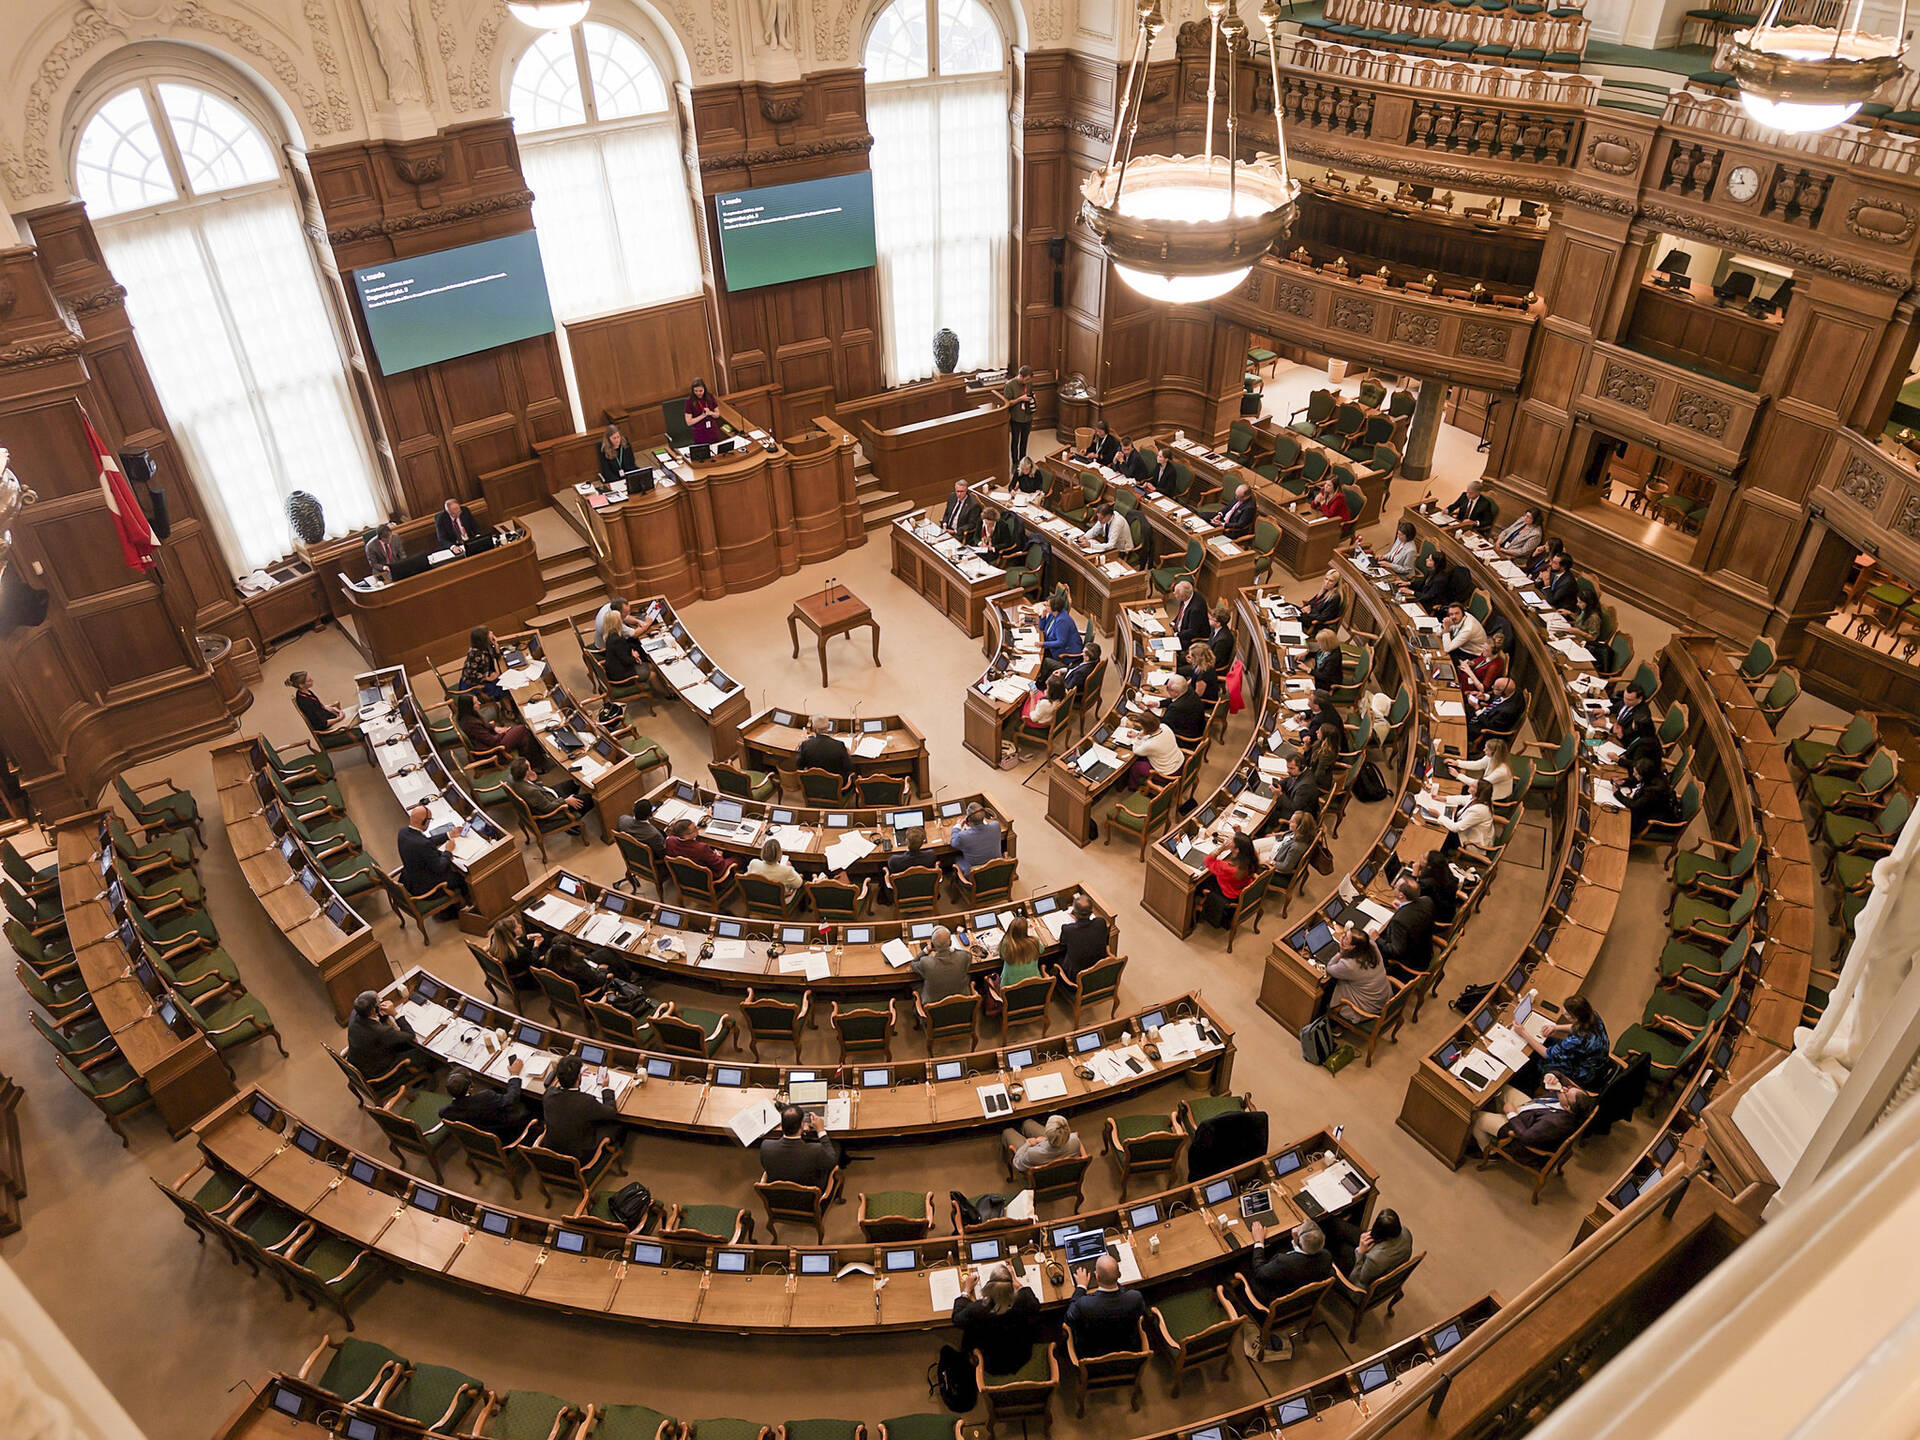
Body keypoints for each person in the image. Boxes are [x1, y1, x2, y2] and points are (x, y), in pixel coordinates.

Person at [953, 1263, 1043, 1378]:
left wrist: (966, 1291)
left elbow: (957, 1319)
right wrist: (1015, 1282)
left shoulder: (979, 1308)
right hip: (1021, 1355)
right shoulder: (1023, 1300)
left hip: (990, 1363)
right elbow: (1034, 1304)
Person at [1470, 1074, 1593, 1154]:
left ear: (1566, 1107)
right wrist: (1551, 1075)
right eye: (1569, 1088)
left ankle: (1488, 1151)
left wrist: (1511, 1114)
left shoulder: (1554, 1123)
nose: (1564, 1088)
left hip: (1519, 1125)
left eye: (1566, 1093)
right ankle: (1495, 1118)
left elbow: (1526, 1137)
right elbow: (1560, 1076)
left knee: (1477, 1117)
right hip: (1530, 1109)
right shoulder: (1571, 1098)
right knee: (1500, 1088)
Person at [540, 1054, 624, 1164]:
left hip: (553, 1147)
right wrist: (606, 1088)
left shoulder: (548, 1094)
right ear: (579, 1077)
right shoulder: (586, 1102)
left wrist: (575, 1078)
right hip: (580, 1155)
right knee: (619, 1127)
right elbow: (612, 1112)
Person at [1063, 1255, 1148, 1358]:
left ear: (1097, 1277)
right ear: (1120, 1275)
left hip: (1092, 1355)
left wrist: (1081, 1287)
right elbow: (1140, 1312)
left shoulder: (1085, 1304)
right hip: (1129, 1352)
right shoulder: (1135, 1297)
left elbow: (1069, 1318)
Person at [1526, 996, 1613, 1092]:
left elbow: (1547, 1054)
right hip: (1597, 1062)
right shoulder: (1593, 1015)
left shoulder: (1576, 1040)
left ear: (1575, 1018)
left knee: (1537, 1061)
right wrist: (1556, 1027)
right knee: (1549, 1041)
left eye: (1566, 1014)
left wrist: (1524, 1033)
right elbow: (1578, 1027)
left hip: (1585, 1074)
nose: (1564, 1015)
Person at [345, 990, 435, 1077]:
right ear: (373, 1010)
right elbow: (410, 1035)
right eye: (379, 1001)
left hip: (361, 1062)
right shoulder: (381, 1031)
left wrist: (381, 1013)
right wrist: (395, 1014)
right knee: (423, 1053)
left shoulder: (355, 1013)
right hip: (377, 1072)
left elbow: (372, 1020)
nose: (381, 1001)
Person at [1244, 1218, 1333, 1304]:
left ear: (1299, 1241)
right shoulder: (1326, 1255)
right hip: (1301, 1294)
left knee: (1242, 1263)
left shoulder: (1284, 1262)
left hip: (1274, 1297)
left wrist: (1259, 1241)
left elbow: (1259, 1272)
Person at [440, 1065, 536, 1143]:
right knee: (529, 1104)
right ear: (470, 1087)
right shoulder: (485, 1098)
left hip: (480, 1139)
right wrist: (514, 1075)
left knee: (496, 1090)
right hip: (506, 1134)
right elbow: (511, 1099)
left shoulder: (445, 1112)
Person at [1323, 924, 1393, 1024]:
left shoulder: (1349, 965)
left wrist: (1341, 952)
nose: (1342, 937)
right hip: (1382, 996)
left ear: (1352, 947)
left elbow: (1329, 968)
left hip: (1366, 1006)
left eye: (1346, 938)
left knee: (1330, 985)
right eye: (1344, 934)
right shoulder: (1371, 945)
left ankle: (1331, 1022)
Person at [760, 1106, 840, 1190]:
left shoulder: (766, 1146)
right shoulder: (816, 1150)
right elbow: (831, 1161)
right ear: (802, 1125)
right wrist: (821, 1131)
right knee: (836, 1146)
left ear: (782, 1125)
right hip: (809, 1197)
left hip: (776, 1196)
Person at [397, 804, 466, 901]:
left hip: (410, 879)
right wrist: (448, 851)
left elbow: (426, 841)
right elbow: (439, 867)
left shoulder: (403, 832)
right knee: (460, 877)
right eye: (430, 819)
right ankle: (464, 905)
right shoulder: (423, 844)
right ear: (424, 822)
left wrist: (449, 835)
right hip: (425, 887)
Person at [1376, 873, 1436, 978]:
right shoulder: (1427, 900)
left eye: (1396, 887)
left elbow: (1395, 951)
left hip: (1413, 962)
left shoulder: (1399, 921)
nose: (1394, 887)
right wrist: (1401, 909)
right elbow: (1414, 915)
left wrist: (1376, 938)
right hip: (1425, 950)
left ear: (1401, 895)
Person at [457, 694, 541, 766]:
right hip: (493, 749)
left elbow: (484, 726)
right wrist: (505, 732)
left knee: (525, 737)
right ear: (468, 706)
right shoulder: (471, 724)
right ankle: (534, 761)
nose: (479, 703)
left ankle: (531, 762)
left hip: (492, 739)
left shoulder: (467, 715)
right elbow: (492, 741)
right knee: (522, 729)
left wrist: (494, 727)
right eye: (475, 703)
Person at [506, 757, 587, 832]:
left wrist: (534, 781)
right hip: (554, 809)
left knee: (574, 782)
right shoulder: (531, 792)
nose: (531, 768)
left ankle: (573, 809)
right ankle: (572, 823)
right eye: (529, 767)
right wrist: (566, 801)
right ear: (526, 772)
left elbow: (535, 790)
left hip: (548, 794)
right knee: (588, 799)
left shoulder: (512, 777)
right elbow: (548, 807)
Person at [1336, 1209, 1412, 1286]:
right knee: (1338, 1225)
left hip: (1362, 1270)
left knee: (1339, 1246)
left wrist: (1360, 1252)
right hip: (1384, 1257)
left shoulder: (1375, 1259)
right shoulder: (1405, 1232)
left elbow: (1356, 1279)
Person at [1199, 831, 1259, 927]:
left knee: (1200, 882)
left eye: (1232, 840)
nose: (1228, 841)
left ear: (1237, 850)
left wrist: (1221, 849)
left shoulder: (1229, 868)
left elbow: (1208, 861)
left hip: (1228, 893)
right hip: (1241, 885)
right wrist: (1239, 833)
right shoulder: (1252, 856)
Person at [1619, 754, 1680, 840]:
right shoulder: (1653, 774)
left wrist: (1617, 794)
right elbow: (1637, 779)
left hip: (1652, 819)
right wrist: (1624, 781)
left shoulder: (1654, 790)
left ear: (1644, 775)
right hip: (1650, 808)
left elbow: (1635, 805)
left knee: (1620, 818)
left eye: (1636, 774)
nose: (1633, 774)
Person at [1427, 778, 1498, 852]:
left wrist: (1439, 816)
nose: (1470, 785)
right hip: (1466, 830)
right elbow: (1462, 799)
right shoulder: (1480, 798)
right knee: (1443, 825)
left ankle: (1441, 853)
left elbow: (1455, 828)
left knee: (1440, 833)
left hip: (1471, 842)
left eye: (1473, 786)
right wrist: (1442, 798)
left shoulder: (1479, 810)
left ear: (1478, 792)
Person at [286, 672, 358, 740]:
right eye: (309, 680)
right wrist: (340, 718)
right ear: (301, 685)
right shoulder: (305, 702)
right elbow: (322, 724)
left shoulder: (306, 691)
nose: (312, 680)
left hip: (332, 717)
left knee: (358, 708)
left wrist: (337, 711)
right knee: (360, 715)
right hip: (329, 728)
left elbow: (322, 706)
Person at [911, 925, 970, 1003]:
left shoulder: (926, 962)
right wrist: (952, 949)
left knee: (914, 984)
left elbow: (913, 964)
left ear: (933, 945)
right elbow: (968, 955)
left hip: (933, 1008)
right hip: (962, 1001)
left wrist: (926, 951)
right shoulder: (963, 956)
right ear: (951, 943)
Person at [1056, 894, 1110, 979]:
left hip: (1076, 978)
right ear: (1091, 911)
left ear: (1074, 913)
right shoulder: (1101, 923)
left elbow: (1062, 944)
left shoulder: (1068, 930)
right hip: (1100, 971)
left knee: (1052, 960)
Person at [1004, 1113, 1079, 1174]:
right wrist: (1045, 1141)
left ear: (1046, 1132)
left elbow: (1017, 1163)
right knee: (1028, 1123)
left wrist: (1028, 1144)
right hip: (1058, 1159)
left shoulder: (1032, 1153)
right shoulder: (1075, 1140)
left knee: (1007, 1132)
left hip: (1040, 1166)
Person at [488, 913, 545, 991]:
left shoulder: (494, 938)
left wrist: (527, 937)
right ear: (511, 933)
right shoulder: (520, 952)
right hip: (524, 981)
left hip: (511, 970)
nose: (520, 926)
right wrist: (536, 945)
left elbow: (513, 941)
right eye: (517, 926)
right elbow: (534, 959)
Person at [1129, 711, 1185, 788]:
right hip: (1180, 762)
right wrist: (1139, 734)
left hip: (1168, 773)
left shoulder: (1151, 745)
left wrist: (1138, 737)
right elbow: (1153, 737)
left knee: (1136, 766)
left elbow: (1136, 751)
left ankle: (1132, 787)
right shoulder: (1165, 727)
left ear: (1146, 729)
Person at [950, 802, 1005, 880]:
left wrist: (957, 826)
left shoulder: (963, 836)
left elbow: (953, 843)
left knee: (956, 858)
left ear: (968, 819)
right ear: (984, 815)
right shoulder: (996, 826)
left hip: (976, 876)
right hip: (996, 869)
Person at [1451, 736, 1514, 803]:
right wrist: (1458, 763)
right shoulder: (1492, 757)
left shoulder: (1502, 771)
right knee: (1461, 791)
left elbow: (1480, 784)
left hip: (1496, 796)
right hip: (1486, 787)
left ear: (1494, 753)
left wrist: (1458, 775)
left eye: (1486, 749)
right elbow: (1477, 764)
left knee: (1459, 795)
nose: (1484, 750)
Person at [1255, 810, 1317, 878]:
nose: (1289, 821)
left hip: (1275, 857)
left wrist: (1271, 862)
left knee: (1250, 855)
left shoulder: (1297, 847)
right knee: (1252, 845)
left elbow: (1286, 867)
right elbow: (1288, 834)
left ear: (1300, 827)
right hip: (1279, 843)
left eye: (1292, 822)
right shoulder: (1300, 833)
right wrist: (1275, 834)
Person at [665, 818, 734, 878]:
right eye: (694, 829)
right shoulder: (701, 848)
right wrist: (719, 856)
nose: (698, 828)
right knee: (739, 858)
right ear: (686, 836)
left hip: (685, 874)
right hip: (707, 877)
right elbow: (719, 865)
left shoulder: (669, 840)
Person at [1467, 677, 1524, 750]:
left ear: (1503, 692)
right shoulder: (1513, 691)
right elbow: (1497, 697)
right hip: (1488, 714)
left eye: (1495, 688)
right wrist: (1484, 697)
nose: (1492, 687)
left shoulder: (1506, 711)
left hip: (1487, 730)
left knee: (1460, 726)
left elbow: (1489, 725)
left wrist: (1477, 707)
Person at [1038, 588, 1083, 679]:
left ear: (1054, 608)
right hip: (1052, 645)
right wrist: (1042, 617)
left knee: (1041, 660)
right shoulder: (1052, 614)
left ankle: (1042, 680)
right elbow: (1042, 628)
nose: (1045, 607)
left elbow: (1061, 642)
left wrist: (1043, 644)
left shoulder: (1062, 620)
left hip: (1066, 650)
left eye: (1047, 606)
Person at [616, 798, 668, 867]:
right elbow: (663, 855)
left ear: (634, 810)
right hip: (651, 863)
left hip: (631, 855)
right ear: (650, 814)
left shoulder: (622, 820)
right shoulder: (654, 834)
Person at [797, 715, 852, 780]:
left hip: (812, 782)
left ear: (814, 728)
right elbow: (849, 767)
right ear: (829, 726)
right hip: (835, 785)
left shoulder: (805, 745)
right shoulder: (839, 745)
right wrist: (847, 753)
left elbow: (799, 765)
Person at [459, 626, 506, 701]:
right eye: (488, 633)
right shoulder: (475, 654)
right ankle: (509, 710)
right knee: (503, 686)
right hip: (474, 682)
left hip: (486, 673)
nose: (491, 632)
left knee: (504, 681)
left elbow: (497, 656)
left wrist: (496, 645)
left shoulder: (486, 646)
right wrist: (488, 678)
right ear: (483, 639)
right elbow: (471, 674)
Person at [996, 914, 1044, 985]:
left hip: (1009, 987)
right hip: (1034, 984)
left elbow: (1002, 956)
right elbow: (1042, 950)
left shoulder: (1006, 944)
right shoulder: (1034, 941)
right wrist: (1031, 935)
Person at [886, 825, 933, 898]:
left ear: (906, 841)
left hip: (902, 893)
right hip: (924, 889)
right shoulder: (931, 855)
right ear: (923, 842)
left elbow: (891, 870)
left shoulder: (894, 860)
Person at [1003, 364, 1035, 469]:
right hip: (1016, 418)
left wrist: (1032, 397)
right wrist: (1020, 399)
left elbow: (1029, 393)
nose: (1028, 382)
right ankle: (1015, 463)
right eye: (1026, 379)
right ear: (1020, 376)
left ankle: (1023, 461)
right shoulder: (1010, 385)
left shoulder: (1029, 383)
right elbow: (1007, 403)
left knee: (1024, 441)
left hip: (1027, 417)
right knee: (1015, 441)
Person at [1460, 629, 1507, 699]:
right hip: (1467, 680)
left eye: (1486, 650)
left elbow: (1483, 689)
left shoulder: (1495, 666)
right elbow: (1478, 662)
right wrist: (1471, 663)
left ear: (1494, 652)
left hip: (1474, 689)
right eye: (1483, 648)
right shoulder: (1486, 654)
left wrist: (1469, 672)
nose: (1483, 651)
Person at [1162, 673, 1207, 746]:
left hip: (1186, 739)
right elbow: (1173, 699)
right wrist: (1158, 703)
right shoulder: (1189, 690)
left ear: (1176, 693)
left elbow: (1163, 724)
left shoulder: (1176, 707)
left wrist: (1146, 711)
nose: (1166, 690)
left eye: (1167, 688)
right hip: (1197, 728)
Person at [1418, 850, 1459, 924]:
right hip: (1449, 911)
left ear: (1429, 866)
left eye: (1424, 857)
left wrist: (1414, 874)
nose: (1420, 856)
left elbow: (1413, 895)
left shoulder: (1427, 884)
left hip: (1437, 918)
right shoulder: (1444, 872)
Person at [941, 479, 984, 546]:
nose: (959, 494)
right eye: (957, 491)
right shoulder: (952, 496)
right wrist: (944, 524)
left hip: (959, 534)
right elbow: (946, 513)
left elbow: (972, 524)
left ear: (966, 491)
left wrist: (955, 531)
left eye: (961, 491)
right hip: (946, 529)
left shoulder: (973, 505)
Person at [685, 377, 723, 445]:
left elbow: (717, 414)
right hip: (700, 432)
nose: (698, 393)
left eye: (700, 391)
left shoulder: (710, 396)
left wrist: (710, 413)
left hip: (712, 429)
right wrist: (703, 415)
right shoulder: (689, 401)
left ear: (704, 389)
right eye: (696, 391)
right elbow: (689, 422)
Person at [1182, 640, 1220, 706]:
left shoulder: (1202, 676)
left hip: (1204, 702)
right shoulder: (1204, 663)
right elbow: (1193, 678)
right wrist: (1183, 686)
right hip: (1194, 692)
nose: (1188, 657)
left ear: (1197, 658)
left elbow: (1197, 695)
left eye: (1190, 656)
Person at [1207, 604, 1237, 673]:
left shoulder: (1223, 640)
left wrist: (1196, 660)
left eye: (1212, 619)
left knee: (1180, 668)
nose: (1209, 619)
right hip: (1206, 658)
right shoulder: (1215, 628)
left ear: (1218, 623)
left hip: (1211, 669)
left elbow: (1214, 660)